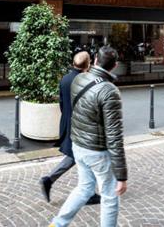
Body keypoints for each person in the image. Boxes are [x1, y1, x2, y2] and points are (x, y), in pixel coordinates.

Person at [50, 46, 128, 227]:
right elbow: (114, 135)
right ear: (115, 66)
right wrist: (121, 175)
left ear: (95, 60)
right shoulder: (109, 91)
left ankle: (57, 224)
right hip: (96, 151)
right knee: (110, 196)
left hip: (78, 145)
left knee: (84, 188)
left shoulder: (79, 79)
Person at [39, 52, 100, 205]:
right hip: (82, 126)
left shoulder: (65, 79)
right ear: (88, 64)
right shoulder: (87, 81)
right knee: (87, 156)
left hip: (68, 122)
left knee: (78, 156)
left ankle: (50, 180)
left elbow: (61, 103)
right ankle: (87, 193)